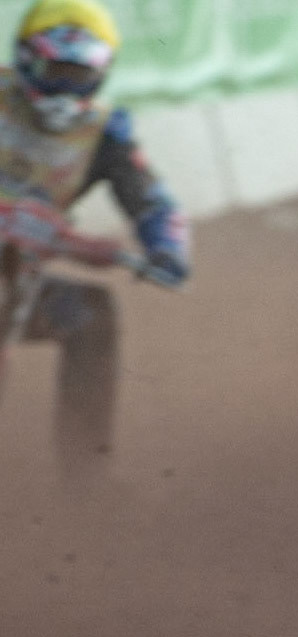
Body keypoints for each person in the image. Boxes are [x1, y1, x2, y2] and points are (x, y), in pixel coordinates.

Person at [0, 0, 190, 465]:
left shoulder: (103, 133)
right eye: (56, 71)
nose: (66, 88)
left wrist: (166, 247)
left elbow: (150, 198)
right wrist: (63, 237)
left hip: (15, 277)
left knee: (90, 315)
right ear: (26, 59)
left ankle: (83, 474)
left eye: (80, 75)